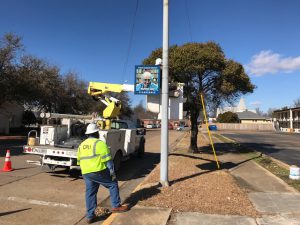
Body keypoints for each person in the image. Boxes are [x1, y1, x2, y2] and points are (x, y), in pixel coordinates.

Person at [77, 123, 128, 224]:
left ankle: (90, 216)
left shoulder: (82, 145)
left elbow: (79, 161)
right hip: (98, 171)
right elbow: (108, 161)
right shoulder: (100, 144)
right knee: (113, 184)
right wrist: (112, 173)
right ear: (96, 133)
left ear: (88, 134)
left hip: (86, 172)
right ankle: (116, 206)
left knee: (90, 193)